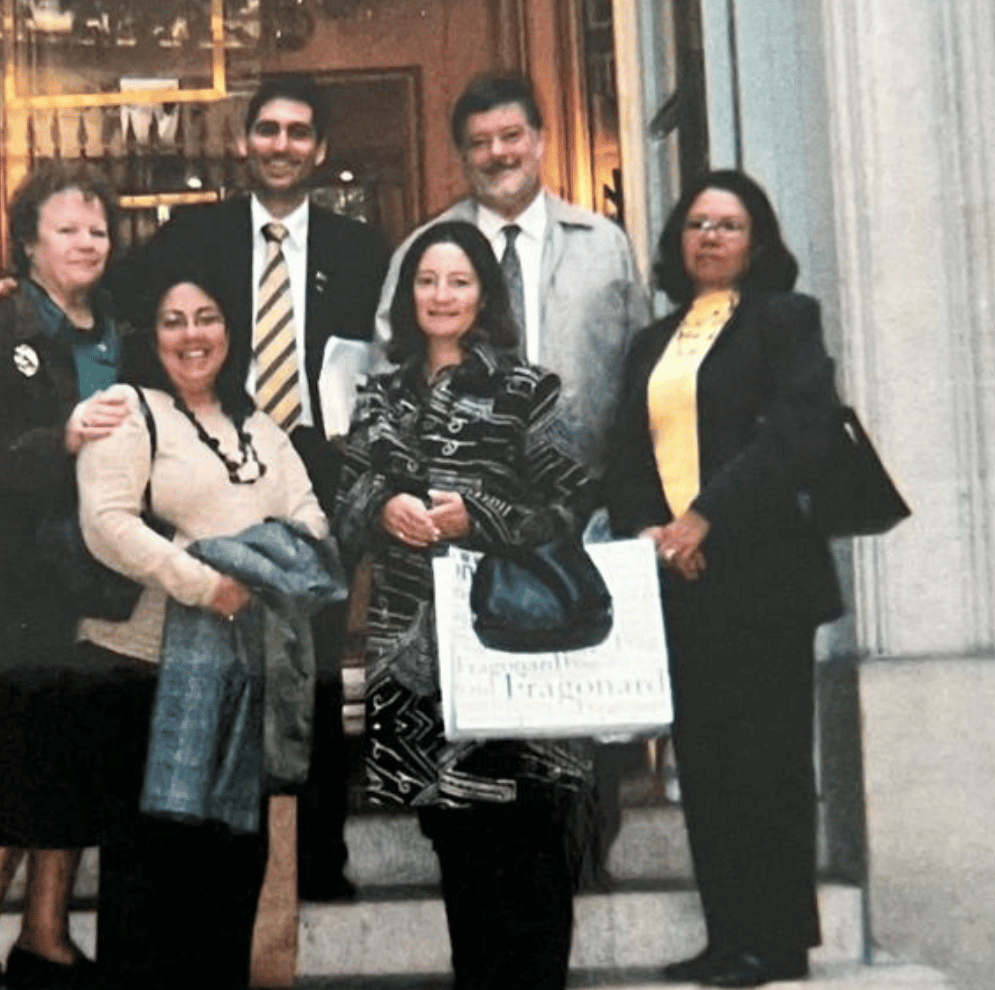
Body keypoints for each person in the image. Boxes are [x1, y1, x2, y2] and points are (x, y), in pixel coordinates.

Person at [108, 73, 391, 899]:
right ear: (245, 140)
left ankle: (318, 858)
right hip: (211, 466)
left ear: (321, 149)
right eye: (267, 129)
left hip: (315, 478)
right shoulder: (193, 234)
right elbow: (123, 303)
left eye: (299, 132)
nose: (281, 145)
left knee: (313, 666)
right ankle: (221, 855)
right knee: (218, 665)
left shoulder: (359, 249)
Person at [374, 71, 651, 886]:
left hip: (576, 514)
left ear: (539, 139)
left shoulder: (605, 244)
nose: (498, 154)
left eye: (511, 137)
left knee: (583, 697)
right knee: (476, 707)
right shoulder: (423, 250)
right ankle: (485, 867)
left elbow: (637, 378)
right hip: (457, 524)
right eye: (480, 142)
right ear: (462, 153)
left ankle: (579, 859)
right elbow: (391, 373)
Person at [336, 221, 598, 990]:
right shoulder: (380, 393)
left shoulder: (527, 390)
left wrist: (476, 516)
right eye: (426, 280)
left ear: (484, 293)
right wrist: (382, 507)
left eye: (457, 281)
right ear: (407, 294)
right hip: (416, 664)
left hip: (518, 651)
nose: (440, 295)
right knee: (458, 854)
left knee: (532, 856)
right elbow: (345, 504)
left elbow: (571, 505)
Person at [605, 169, 844, 988]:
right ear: (678, 240)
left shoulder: (784, 320)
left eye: (730, 225)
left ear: (758, 241)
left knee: (768, 766)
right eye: (698, 224)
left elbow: (798, 434)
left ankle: (776, 946)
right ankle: (725, 936)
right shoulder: (653, 341)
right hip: (682, 578)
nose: (710, 237)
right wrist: (656, 532)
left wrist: (705, 518)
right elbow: (626, 452)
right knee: (703, 766)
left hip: (764, 576)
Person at [74, 270, 340, 990]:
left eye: (208, 317)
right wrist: (205, 579)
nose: (194, 335)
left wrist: (245, 565)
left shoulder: (262, 430)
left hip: (248, 674)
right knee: (148, 877)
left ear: (232, 331)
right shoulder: (127, 410)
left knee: (231, 869)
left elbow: (312, 525)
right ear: (148, 334)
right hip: (143, 675)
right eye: (174, 320)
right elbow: (107, 524)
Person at [0, 161, 133, 990]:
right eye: (68, 229)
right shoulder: (4, 325)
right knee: (7, 778)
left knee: (72, 768)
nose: (87, 242)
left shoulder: (116, 327)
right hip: (12, 595)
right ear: (29, 243)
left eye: (99, 229)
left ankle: (45, 940)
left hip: (95, 586)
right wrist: (63, 441)